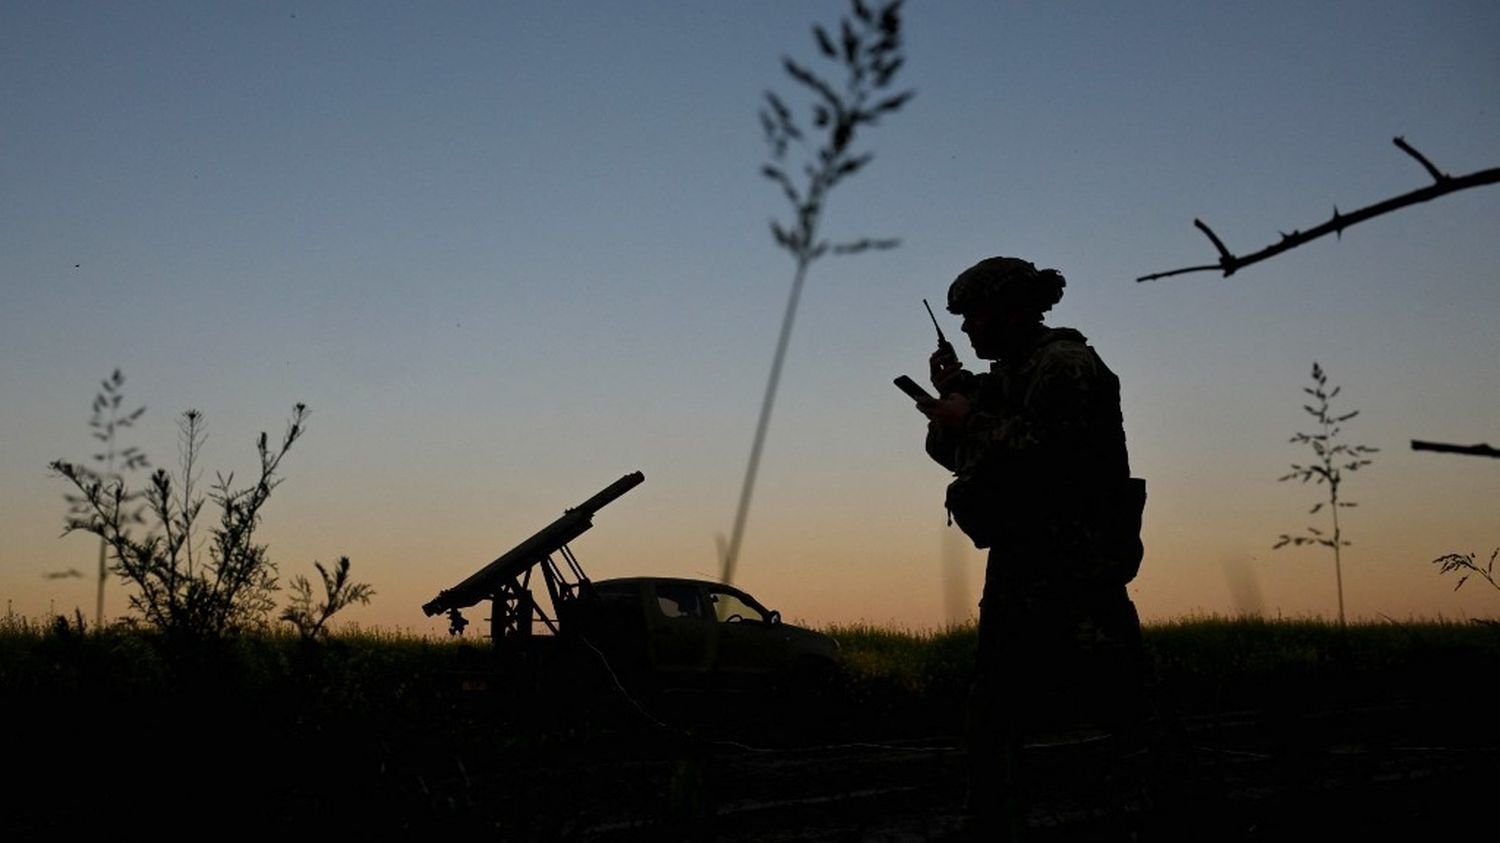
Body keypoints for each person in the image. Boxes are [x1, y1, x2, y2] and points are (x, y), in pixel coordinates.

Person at [919, 256, 1148, 837]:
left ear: (1013, 309)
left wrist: (967, 417)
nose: (967, 329)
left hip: (1076, 562)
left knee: (1119, 695)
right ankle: (993, 813)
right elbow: (963, 455)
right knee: (996, 701)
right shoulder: (1011, 376)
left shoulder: (1066, 366)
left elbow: (1049, 458)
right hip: (1024, 559)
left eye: (975, 315)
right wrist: (953, 404)